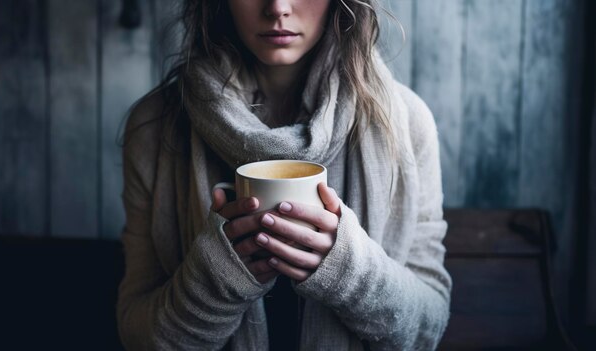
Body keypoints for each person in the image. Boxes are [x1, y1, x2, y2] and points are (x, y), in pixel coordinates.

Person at [116, 0, 452, 350]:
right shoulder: (156, 128)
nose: (277, 8)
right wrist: (215, 281)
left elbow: (427, 327)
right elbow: (139, 335)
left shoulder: (405, 123)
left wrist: (349, 271)